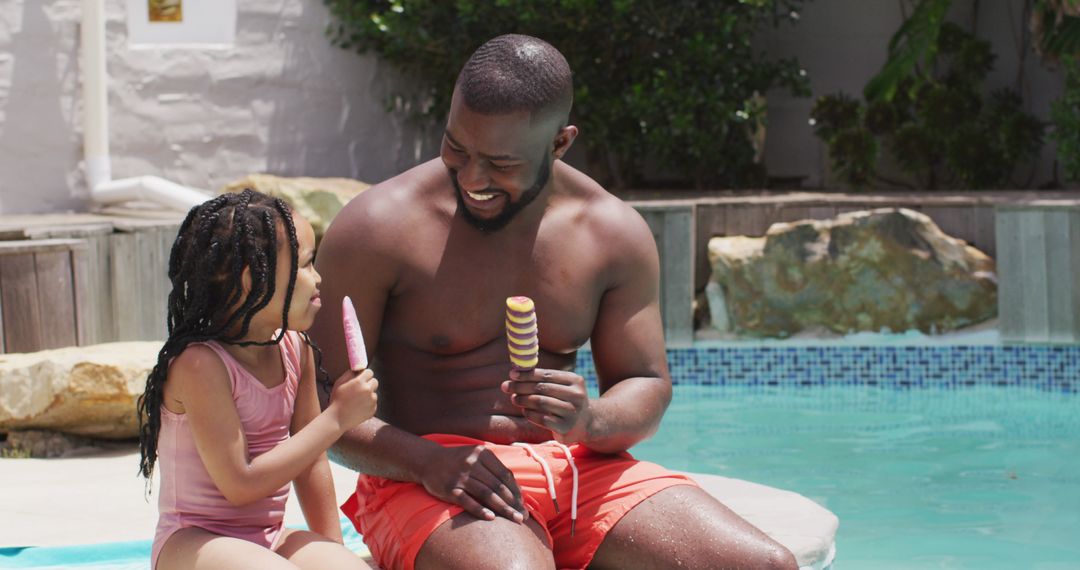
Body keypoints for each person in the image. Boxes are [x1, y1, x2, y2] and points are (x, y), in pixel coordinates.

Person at [310, 34, 798, 570]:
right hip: (428, 476)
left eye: (500, 163)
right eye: (457, 148)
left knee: (767, 566)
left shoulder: (611, 231)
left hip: (576, 467)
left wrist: (591, 419)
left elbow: (646, 383)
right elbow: (317, 402)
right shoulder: (379, 227)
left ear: (560, 143)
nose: (472, 178)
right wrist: (427, 461)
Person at [136, 189, 379, 570]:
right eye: (305, 265)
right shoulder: (200, 365)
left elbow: (311, 461)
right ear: (252, 278)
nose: (318, 279)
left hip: (269, 537)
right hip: (195, 542)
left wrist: (332, 549)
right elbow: (240, 484)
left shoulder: (294, 348)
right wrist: (338, 418)